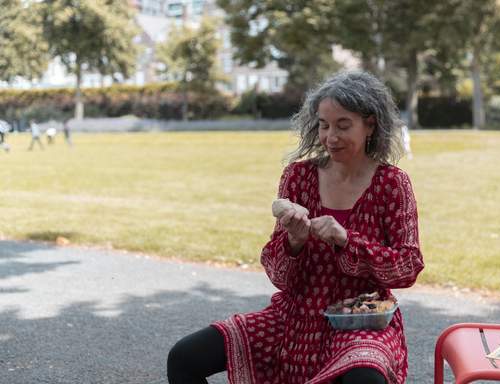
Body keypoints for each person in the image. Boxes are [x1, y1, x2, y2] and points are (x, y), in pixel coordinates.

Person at [167, 71, 424, 384]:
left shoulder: (392, 184)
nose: (331, 137)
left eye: (343, 125)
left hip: (360, 319)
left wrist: (346, 240)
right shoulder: (298, 177)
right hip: (294, 316)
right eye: (324, 125)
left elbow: (407, 267)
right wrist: (294, 242)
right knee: (184, 358)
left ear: (370, 124)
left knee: (364, 380)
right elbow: (278, 276)